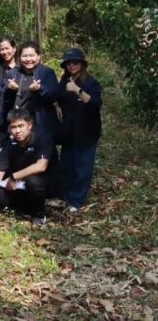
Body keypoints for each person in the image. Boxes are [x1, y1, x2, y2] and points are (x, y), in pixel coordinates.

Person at [0, 108, 59, 226]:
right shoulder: (10, 143)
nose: (17, 131)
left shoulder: (42, 136)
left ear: (29, 125)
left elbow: (41, 166)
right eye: (13, 127)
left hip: (46, 182)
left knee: (33, 181)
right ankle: (27, 209)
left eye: (21, 126)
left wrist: (14, 176)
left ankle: (39, 215)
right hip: (21, 184)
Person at [56, 48, 102, 212]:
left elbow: (95, 103)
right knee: (67, 164)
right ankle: (64, 196)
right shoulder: (64, 80)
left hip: (87, 132)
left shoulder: (91, 83)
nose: (72, 65)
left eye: (75, 62)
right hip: (69, 131)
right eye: (68, 63)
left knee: (82, 167)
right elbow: (57, 96)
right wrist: (56, 105)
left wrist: (77, 90)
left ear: (82, 64)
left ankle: (76, 200)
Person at [7, 41, 60, 147]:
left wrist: (40, 89)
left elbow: (54, 96)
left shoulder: (47, 73)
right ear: (20, 57)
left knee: (46, 159)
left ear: (39, 56)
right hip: (20, 126)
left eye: (32, 55)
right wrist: (10, 89)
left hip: (42, 125)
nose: (28, 59)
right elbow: (5, 99)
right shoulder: (14, 73)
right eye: (24, 56)